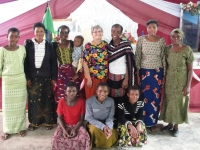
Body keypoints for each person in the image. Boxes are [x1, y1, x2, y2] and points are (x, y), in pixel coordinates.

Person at [159, 29, 194, 137]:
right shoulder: (167, 49)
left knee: (179, 103)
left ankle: (176, 127)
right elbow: (165, 65)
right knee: (169, 102)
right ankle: (169, 124)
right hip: (170, 80)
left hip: (181, 81)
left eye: (178, 37)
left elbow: (190, 69)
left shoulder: (187, 50)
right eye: (173, 36)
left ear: (181, 37)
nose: (175, 39)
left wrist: (188, 85)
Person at [24, 22, 58, 131]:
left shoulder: (49, 45)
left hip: (46, 77)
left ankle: (48, 122)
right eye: (37, 31)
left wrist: (54, 78)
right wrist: (27, 77)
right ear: (33, 32)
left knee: (47, 100)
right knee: (33, 101)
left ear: (44, 32)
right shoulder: (28, 45)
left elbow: (53, 63)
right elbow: (25, 63)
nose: (39, 33)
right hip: (33, 78)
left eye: (41, 31)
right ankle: (34, 123)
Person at [135, 19, 166, 131]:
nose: (152, 29)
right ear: (146, 28)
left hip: (157, 73)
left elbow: (163, 58)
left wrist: (164, 75)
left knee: (155, 98)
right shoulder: (141, 40)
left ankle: (153, 123)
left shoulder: (161, 40)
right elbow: (137, 56)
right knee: (143, 97)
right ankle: (142, 122)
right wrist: (138, 74)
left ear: (157, 29)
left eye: (154, 27)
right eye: (149, 27)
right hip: (144, 73)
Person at [0, 27, 27, 140]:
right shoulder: (2, 50)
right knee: (7, 107)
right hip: (8, 81)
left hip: (20, 80)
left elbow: (24, 63)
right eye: (11, 36)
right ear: (7, 37)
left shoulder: (22, 49)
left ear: (19, 38)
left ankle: (20, 128)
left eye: (16, 36)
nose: (13, 38)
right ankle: (7, 130)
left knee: (20, 107)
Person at [51, 81, 90, 150]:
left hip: (77, 125)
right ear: (65, 92)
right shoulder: (61, 101)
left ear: (77, 91)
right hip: (64, 125)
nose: (72, 93)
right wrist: (64, 130)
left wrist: (75, 129)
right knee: (55, 139)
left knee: (84, 137)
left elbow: (81, 119)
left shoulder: (81, 102)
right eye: (69, 91)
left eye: (74, 91)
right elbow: (59, 117)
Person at [107, 24, 135, 117]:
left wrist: (126, 79)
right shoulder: (109, 46)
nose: (115, 33)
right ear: (111, 32)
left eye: (118, 32)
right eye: (113, 31)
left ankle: (121, 117)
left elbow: (129, 63)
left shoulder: (126, 44)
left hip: (122, 76)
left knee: (122, 98)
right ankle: (114, 117)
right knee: (112, 98)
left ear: (121, 33)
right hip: (111, 76)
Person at [52, 25, 81, 102]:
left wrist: (77, 72)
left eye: (65, 32)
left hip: (72, 71)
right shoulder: (54, 45)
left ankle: (74, 112)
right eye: (61, 32)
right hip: (61, 72)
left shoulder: (72, 43)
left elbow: (79, 57)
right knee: (62, 92)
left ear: (68, 34)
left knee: (74, 91)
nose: (63, 34)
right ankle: (63, 112)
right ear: (58, 33)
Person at [85, 82, 118, 149]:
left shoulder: (111, 101)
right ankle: (96, 144)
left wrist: (108, 127)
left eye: (105, 91)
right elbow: (89, 118)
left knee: (111, 133)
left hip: (106, 122)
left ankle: (106, 141)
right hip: (94, 123)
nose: (102, 93)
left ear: (108, 92)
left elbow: (110, 117)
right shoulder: (89, 102)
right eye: (100, 91)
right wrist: (103, 126)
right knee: (94, 130)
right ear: (96, 91)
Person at [83, 25, 108, 100]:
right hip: (92, 78)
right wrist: (89, 78)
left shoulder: (105, 44)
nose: (98, 33)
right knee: (91, 98)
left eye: (100, 31)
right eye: (95, 32)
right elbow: (84, 62)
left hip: (103, 77)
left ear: (102, 33)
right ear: (92, 34)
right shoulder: (88, 46)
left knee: (102, 99)